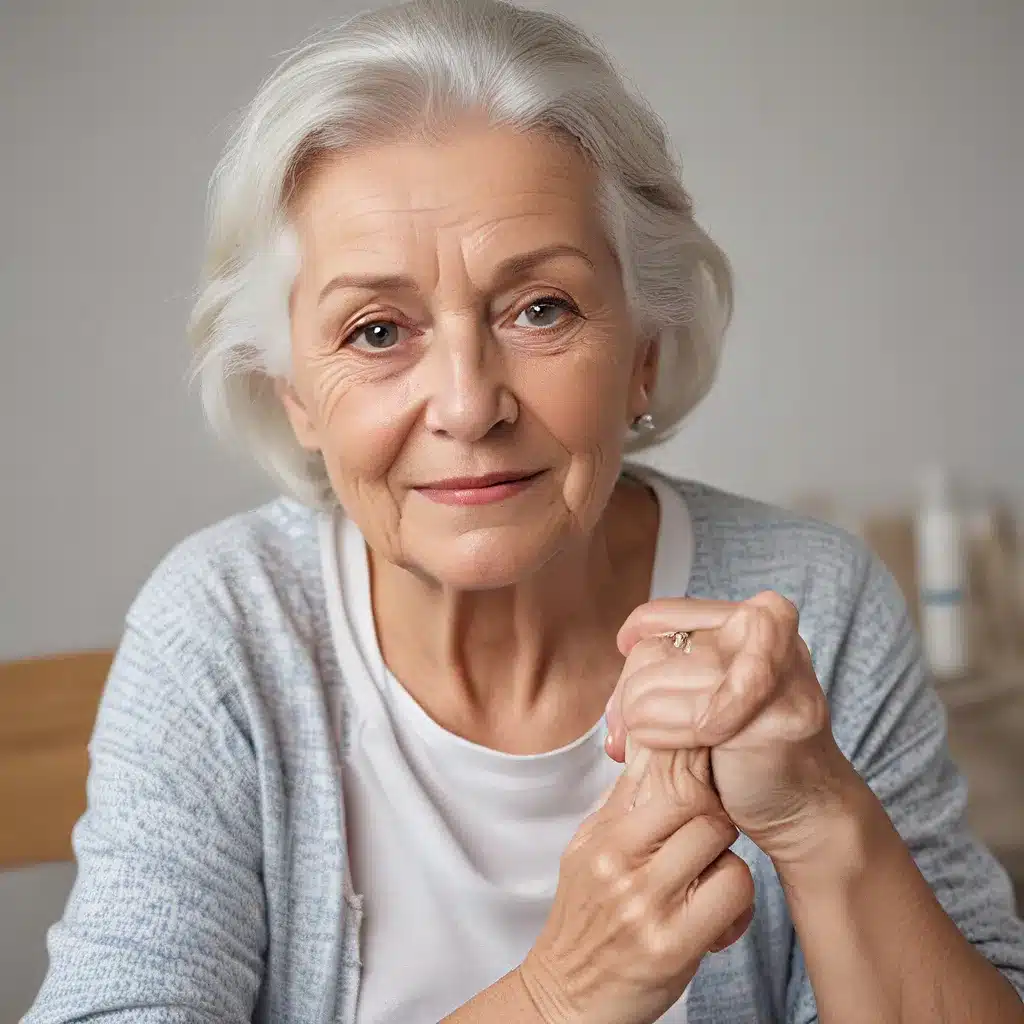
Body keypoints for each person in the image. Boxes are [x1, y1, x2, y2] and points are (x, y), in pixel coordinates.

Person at [27, 1, 1024, 1021]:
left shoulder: (810, 600)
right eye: (377, 331)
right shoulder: (224, 629)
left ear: (642, 347)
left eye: (539, 309)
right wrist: (561, 996)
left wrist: (822, 820)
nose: (467, 405)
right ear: (291, 391)